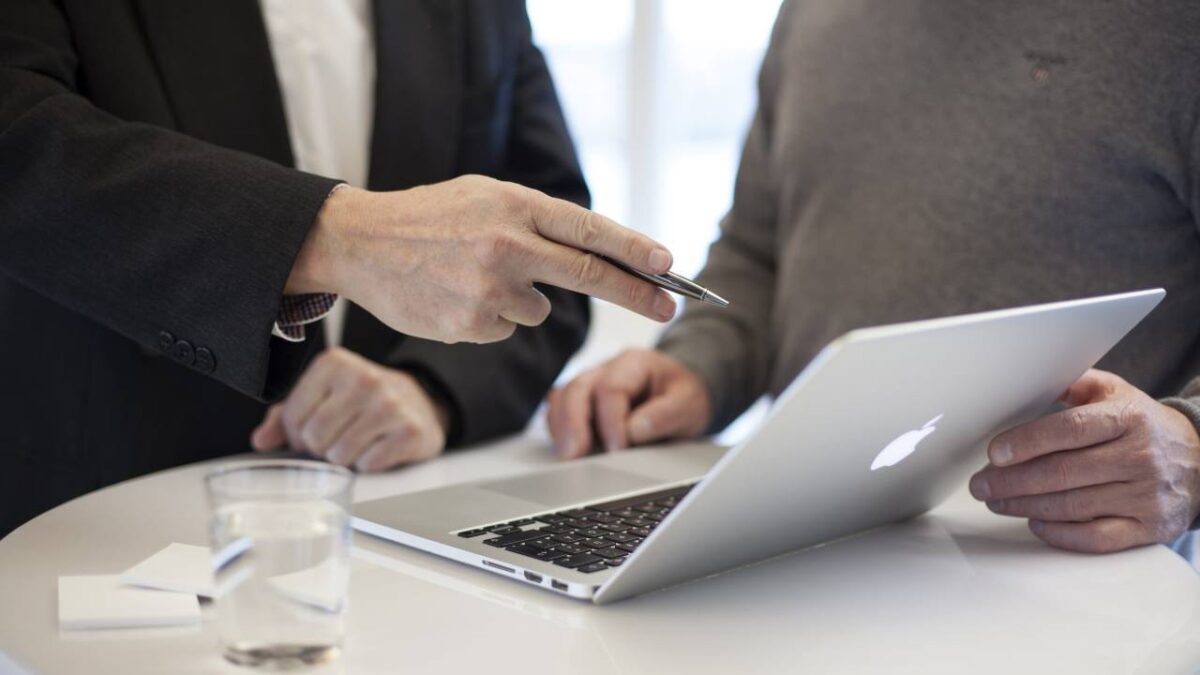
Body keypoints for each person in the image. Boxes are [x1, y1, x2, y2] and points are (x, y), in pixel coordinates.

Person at [0, 0, 679, 536]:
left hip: (391, 544)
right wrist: (335, 237)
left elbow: (546, 252)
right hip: (87, 531)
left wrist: (433, 389)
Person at [548, 0, 1200, 555]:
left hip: (1069, 585)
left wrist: (1191, 444)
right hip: (802, 550)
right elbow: (757, 249)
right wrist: (696, 369)